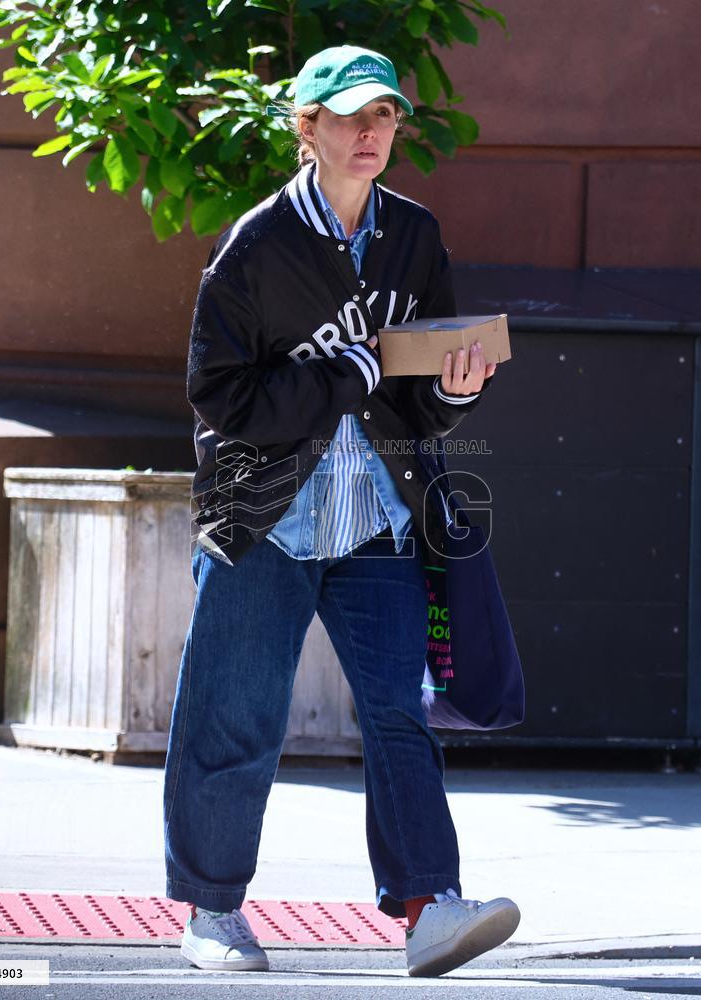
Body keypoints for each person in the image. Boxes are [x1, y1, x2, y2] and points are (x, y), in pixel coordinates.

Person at [163, 44, 520, 978]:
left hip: (376, 517)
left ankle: (426, 906)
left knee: (402, 711)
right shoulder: (256, 244)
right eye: (352, 116)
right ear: (307, 125)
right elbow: (219, 395)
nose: (372, 133)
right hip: (264, 518)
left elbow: (414, 398)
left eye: (387, 117)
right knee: (233, 717)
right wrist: (341, 373)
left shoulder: (413, 235)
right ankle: (210, 912)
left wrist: (458, 388)